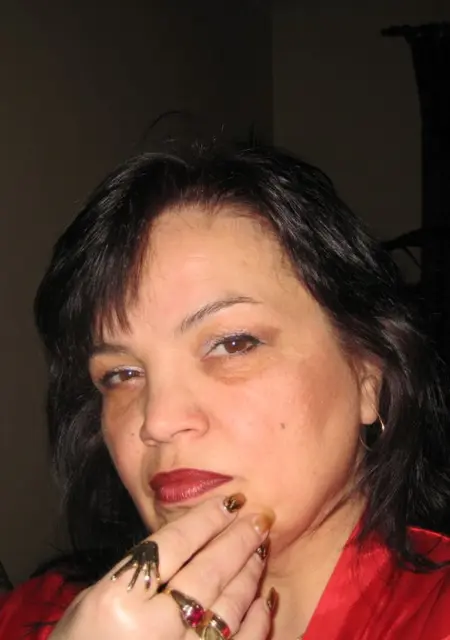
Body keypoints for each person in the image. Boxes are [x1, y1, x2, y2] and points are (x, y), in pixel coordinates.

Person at [1, 142, 450, 640]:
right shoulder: (32, 617)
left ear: (368, 377)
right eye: (121, 374)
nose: (157, 421)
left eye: (233, 344)